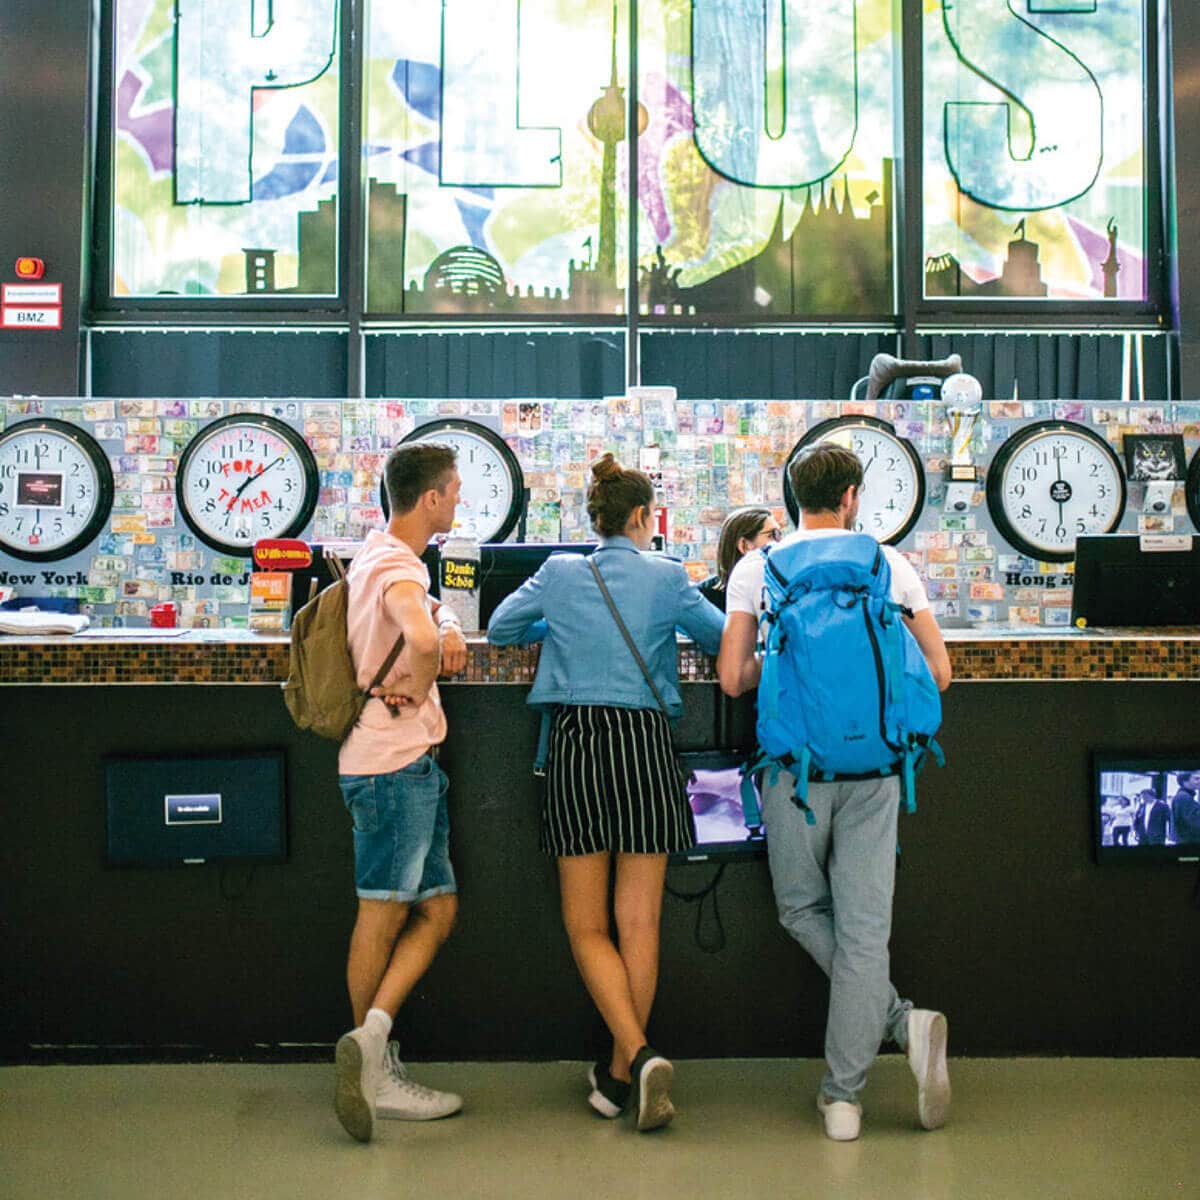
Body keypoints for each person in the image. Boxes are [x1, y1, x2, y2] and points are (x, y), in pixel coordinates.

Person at [717, 442, 953, 1143]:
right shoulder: (889, 564)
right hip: (878, 773)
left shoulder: (760, 567)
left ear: (795, 497)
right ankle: (847, 1091)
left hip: (794, 775)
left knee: (799, 909)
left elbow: (733, 677)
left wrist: (784, 664)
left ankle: (899, 1029)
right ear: (852, 496)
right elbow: (938, 672)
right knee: (862, 933)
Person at [487, 454, 724, 1131]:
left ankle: (638, 1060)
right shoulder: (669, 575)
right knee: (641, 922)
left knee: (586, 925)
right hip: (646, 746)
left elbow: (502, 628)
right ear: (645, 517)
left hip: (580, 747)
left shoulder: (562, 572)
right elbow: (718, 638)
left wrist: (557, 626)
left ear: (595, 519)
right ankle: (625, 1071)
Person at [332, 442, 470, 1144]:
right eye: (454, 490)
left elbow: (426, 616)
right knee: (381, 916)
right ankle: (373, 1071)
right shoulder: (395, 564)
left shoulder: (384, 556)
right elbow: (414, 630)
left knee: (436, 910)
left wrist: (443, 623)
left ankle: (372, 1041)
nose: (460, 501)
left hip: (399, 766)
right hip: (392, 767)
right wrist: (419, 678)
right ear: (431, 501)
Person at [697, 506, 783, 611]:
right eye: (773, 535)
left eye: (780, 534)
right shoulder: (702, 599)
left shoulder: (781, 589)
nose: (780, 542)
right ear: (744, 545)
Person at [1170, 772, 1200, 845]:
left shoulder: (1183, 796)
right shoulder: (1184, 797)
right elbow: (1195, 823)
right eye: (1196, 779)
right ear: (1185, 781)